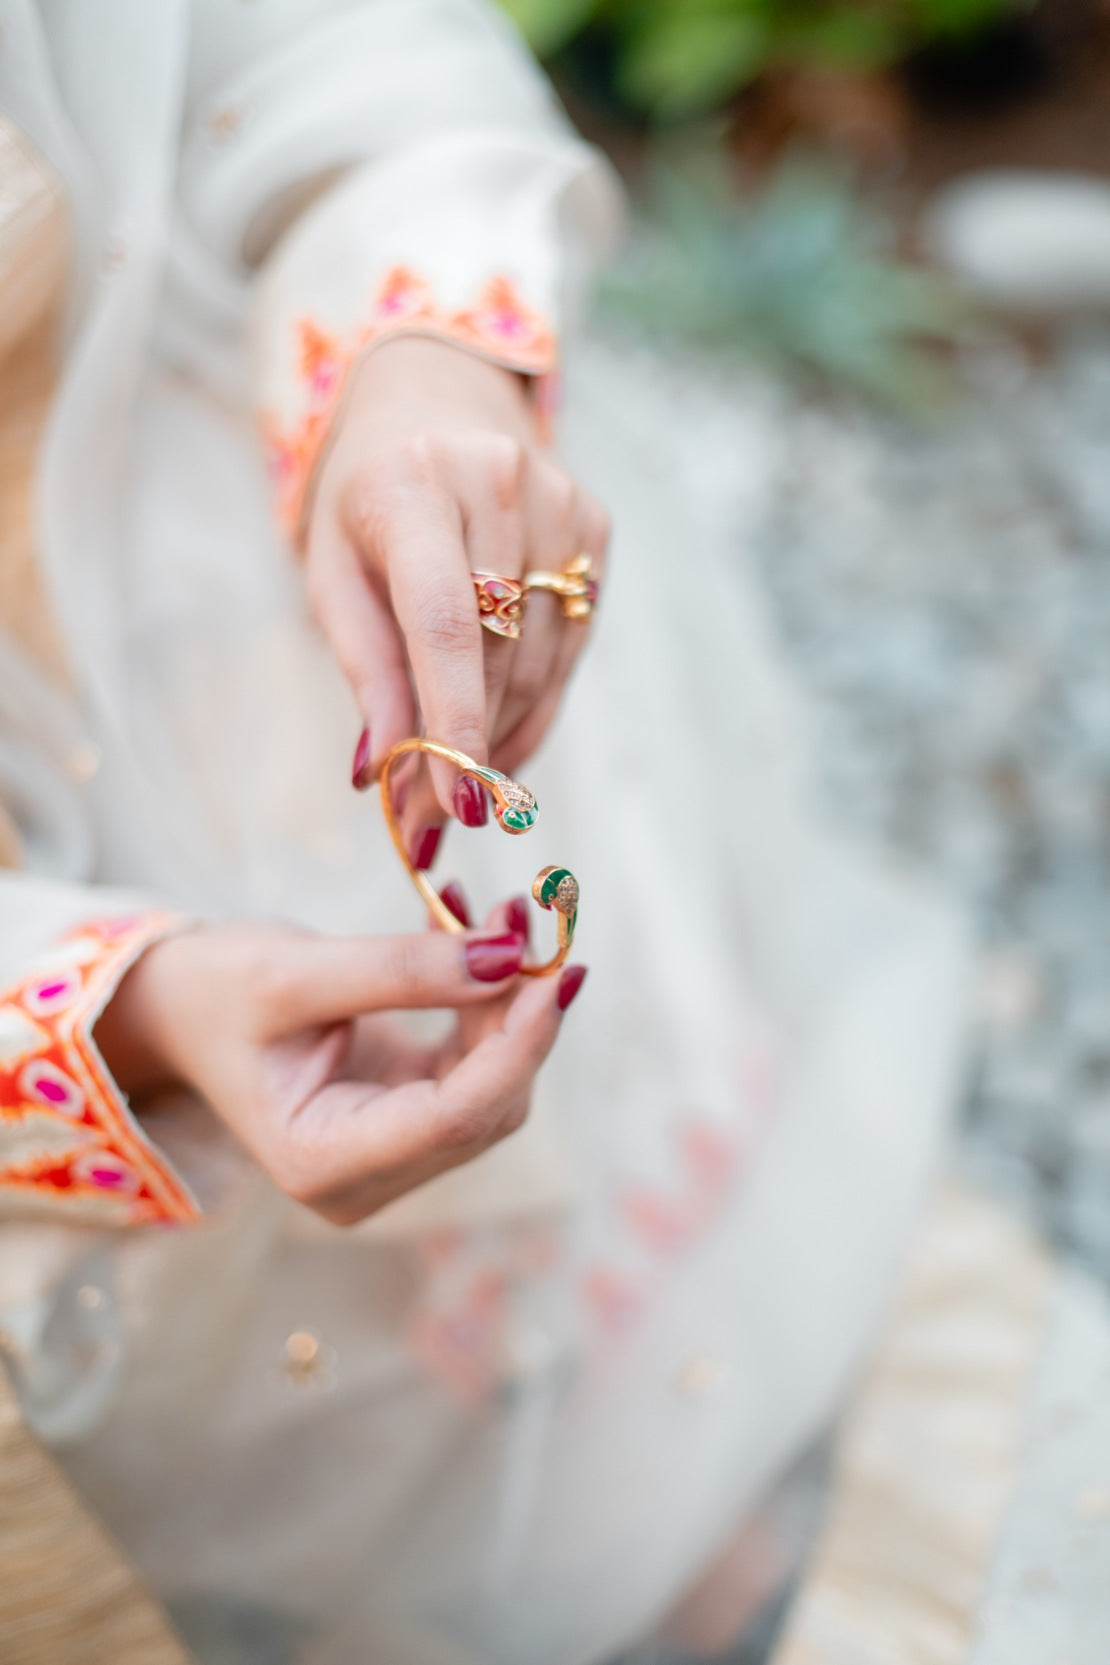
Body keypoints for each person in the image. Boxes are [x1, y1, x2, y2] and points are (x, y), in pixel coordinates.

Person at [4, 4, 1105, 1663]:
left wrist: (421, 360)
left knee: (542, 1114)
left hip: (255, 572)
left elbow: (333, 50)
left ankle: (592, 1422)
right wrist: (125, 1012)